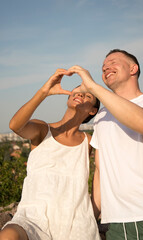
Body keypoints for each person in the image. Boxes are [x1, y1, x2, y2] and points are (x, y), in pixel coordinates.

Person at [66, 50, 143, 240]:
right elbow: (101, 172)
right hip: (118, 226)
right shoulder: (101, 117)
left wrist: (93, 87)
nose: (106, 68)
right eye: (103, 68)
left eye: (112, 62)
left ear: (133, 69)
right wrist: (90, 219)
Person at [0, 69, 101, 240]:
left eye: (88, 96)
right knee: (8, 235)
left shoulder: (88, 141)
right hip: (33, 219)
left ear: (92, 111)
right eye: (78, 92)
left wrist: (93, 215)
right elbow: (15, 125)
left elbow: (99, 176)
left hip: (75, 225)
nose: (81, 95)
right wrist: (44, 92)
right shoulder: (43, 130)